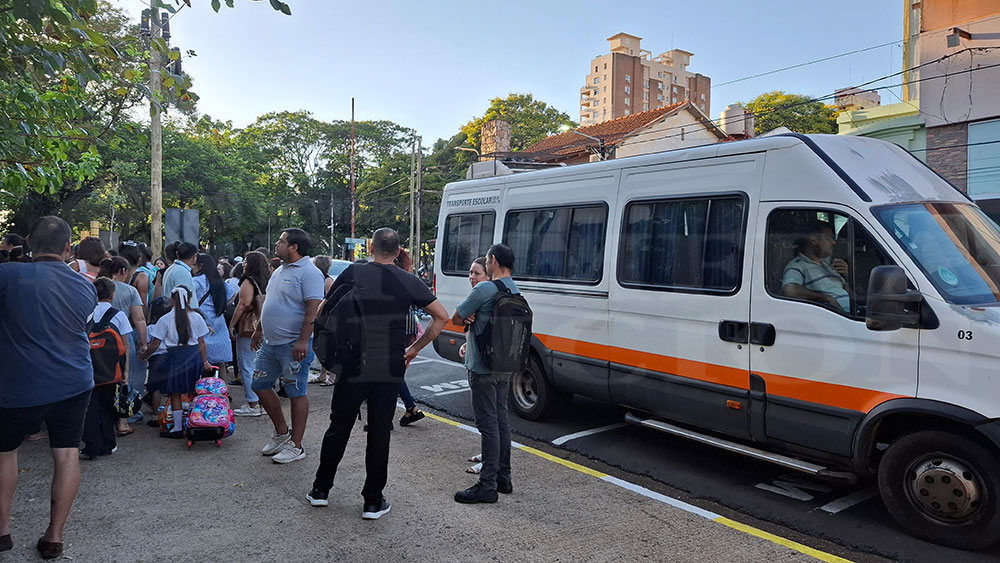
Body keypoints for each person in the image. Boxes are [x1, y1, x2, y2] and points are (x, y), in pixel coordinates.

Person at [307, 228, 448, 519]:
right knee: (380, 430)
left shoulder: (354, 273)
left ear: (371, 248)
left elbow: (324, 309)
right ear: (398, 251)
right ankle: (373, 500)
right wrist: (416, 348)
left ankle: (320, 490)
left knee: (339, 426)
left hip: (353, 362)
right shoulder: (409, 281)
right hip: (389, 364)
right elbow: (441, 316)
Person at [0, 216, 97, 560]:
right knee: (67, 452)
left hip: (16, 384)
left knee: (5, 451)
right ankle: (54, 536)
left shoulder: (7, 276)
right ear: (68, 248)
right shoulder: (85, 284)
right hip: (73, 381)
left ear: (28, 241)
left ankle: (3, 531)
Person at [453, 244, 520, 504]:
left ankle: (487, 485)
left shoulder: (485, 289)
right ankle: (504, 477)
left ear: (492, 261)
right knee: (501, 420)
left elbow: (456, 318)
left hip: (482, 365)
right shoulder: (513, 288)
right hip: (505, 364)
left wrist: (467, 318)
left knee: (488, 425)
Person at [251, 229, 325, 464]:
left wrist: (303, 340)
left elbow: (312, 309)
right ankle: (282, 432)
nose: (276, 244)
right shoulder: (279, 270)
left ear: (294, 247)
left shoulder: (310, 272)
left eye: (281, 242)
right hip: (270, 343)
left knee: (296, 392)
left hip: (293, 345)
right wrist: (259, 329)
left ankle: (297, 445)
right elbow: (270, 303)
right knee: (259, 385)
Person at [140, 287, 211, 439]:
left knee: (175, 393)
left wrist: (145, 355)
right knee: (193, 391)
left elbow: (155, 344)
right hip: (193, 356)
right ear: (190, 298)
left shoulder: (165, 319)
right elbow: (202, 342)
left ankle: (178, 427)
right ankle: (197, 422)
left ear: (172, 300)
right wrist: (205, 361)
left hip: (175, 357)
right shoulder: (196, 317)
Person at [80, 277, 133, 460]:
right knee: (108, 407)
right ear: (112, 295)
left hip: (89, 370)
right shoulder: (117, 315)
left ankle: (91, 446)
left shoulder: (86, 312)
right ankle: (109, 444)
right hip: (112, 370)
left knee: (90, 408)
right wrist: (125, 371)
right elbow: (125, 346)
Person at [99, 256, 148, 432]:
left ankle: (101, 416)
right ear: (122, 271)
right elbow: (139, 319)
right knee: (125, 379)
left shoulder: (95, 287)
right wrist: (143, 343)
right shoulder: (129, 291)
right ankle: (124, 419)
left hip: (96, 342)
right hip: (122, 340)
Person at [460, 256, 489, 475]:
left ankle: (488, 460)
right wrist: (465, 345)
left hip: (482, 366)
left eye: (477, 273)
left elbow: (456, 317)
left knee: (486, 417)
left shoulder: (482, 294)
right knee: (485, 415)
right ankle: (487, 453)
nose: (472, 277)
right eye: (470, 273)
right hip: (482, 359)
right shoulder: (487, 296)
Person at [230, 252, 268, 416]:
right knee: (262, 365)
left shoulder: (248, 281)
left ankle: (253, 404)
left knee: (247, 364)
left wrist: (232, 324)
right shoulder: (268, 280)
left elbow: (243, 304)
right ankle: (264, 402)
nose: (243, 264)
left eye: (246, 261)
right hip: (266, 326)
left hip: (250, 329)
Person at [781, 221, 850, 312]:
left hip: (851, 315)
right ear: (814, 240)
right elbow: (790, 290)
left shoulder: (828, 265)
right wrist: (826, 298)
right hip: (834, 318)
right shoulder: (798, 265)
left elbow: (851, 296)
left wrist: (848, 277)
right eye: (829, 238)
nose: (834, 242)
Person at [393, 248, 426, 426]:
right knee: (395, 371)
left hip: (396, 328)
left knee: (391, 373)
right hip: (408, 326)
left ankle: (409, 408)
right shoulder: (409, 279)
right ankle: (410, 408)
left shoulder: (391, 279)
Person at [193, 253, 236, 371]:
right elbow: (232, 295)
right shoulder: (220, 282)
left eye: (194, 265)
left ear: (201, 266)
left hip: (202, 321)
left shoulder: (196, 281)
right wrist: (220, 304)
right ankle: (223, 387)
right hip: (218, 322)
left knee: (202, 362)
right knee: (220, 364)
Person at [311, 255, 337, 387]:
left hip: (325, 318)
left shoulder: (327, 281)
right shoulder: (319, 279)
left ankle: (332, 376)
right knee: (321, 346)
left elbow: (330, 299)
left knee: (327, 347)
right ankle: (322, 374)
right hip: (318, 317)